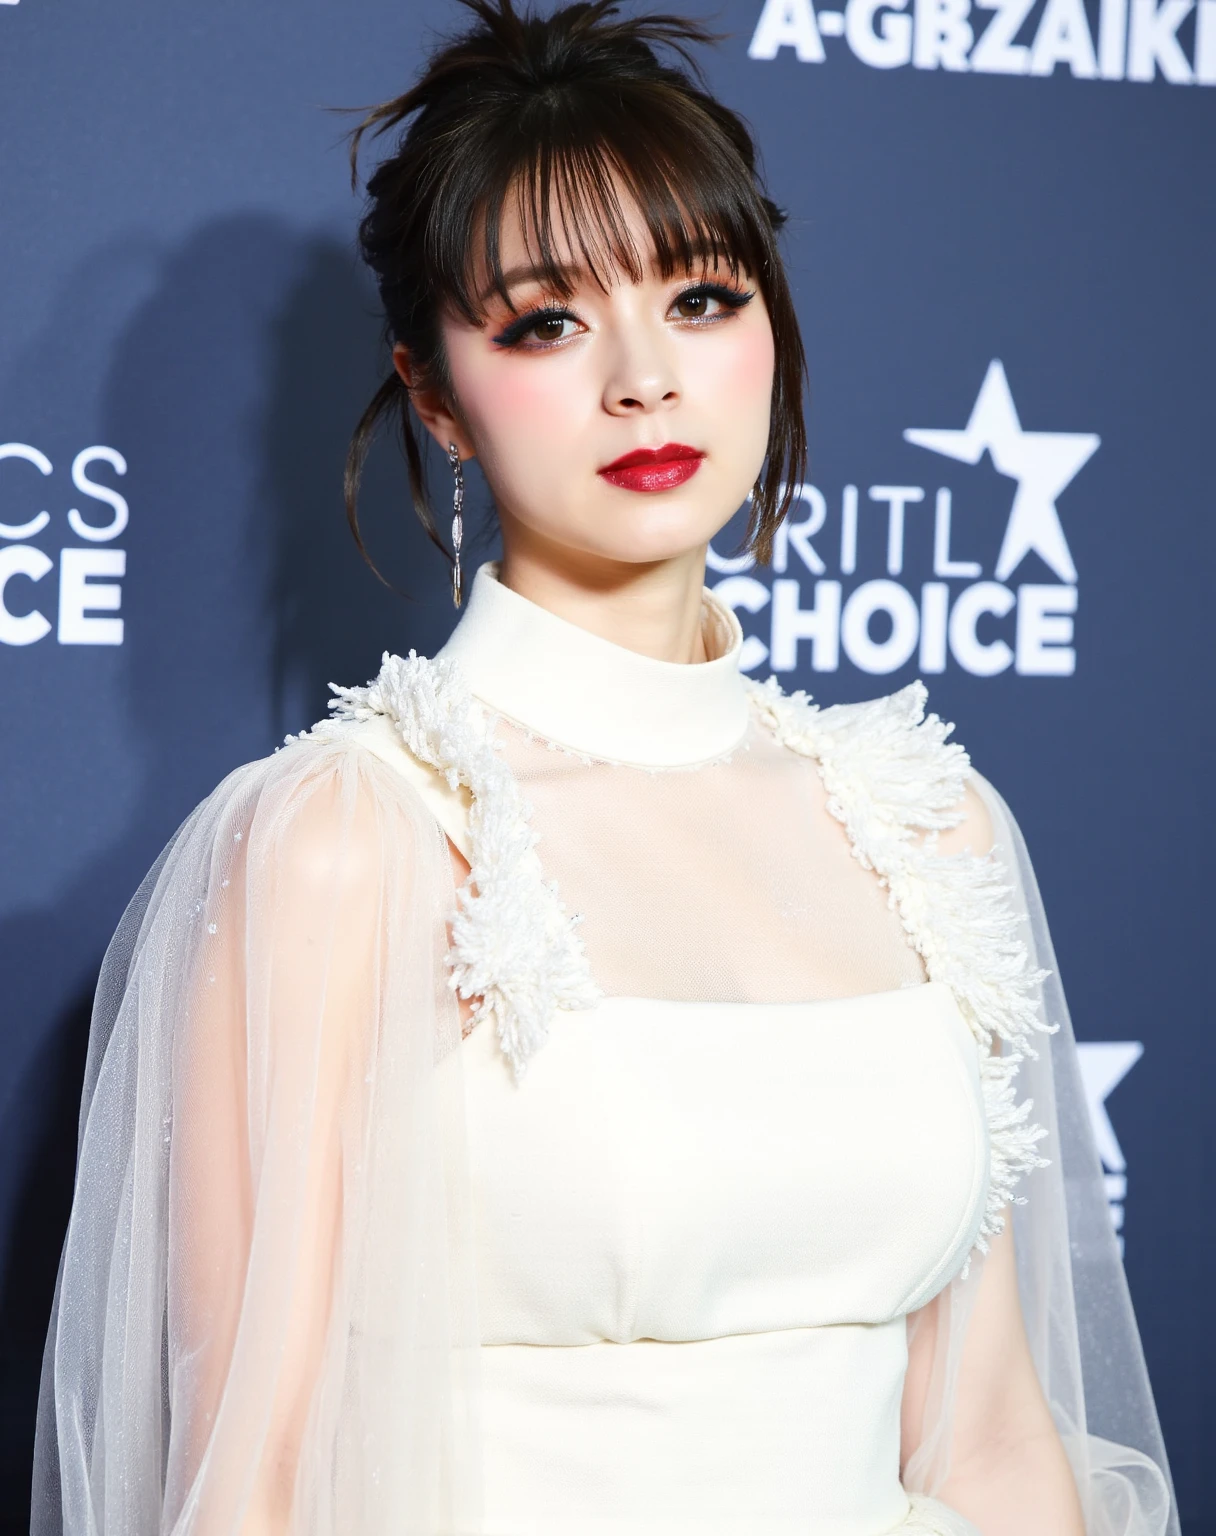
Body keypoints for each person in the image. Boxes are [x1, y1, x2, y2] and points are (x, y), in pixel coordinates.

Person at [33, 2, 1177, 1533]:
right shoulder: (351, 839)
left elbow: (988, 1445)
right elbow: (258, 1483)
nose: (644, 377)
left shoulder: (932, 825)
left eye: (701, 297)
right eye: (546, 322)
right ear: (432, 391)